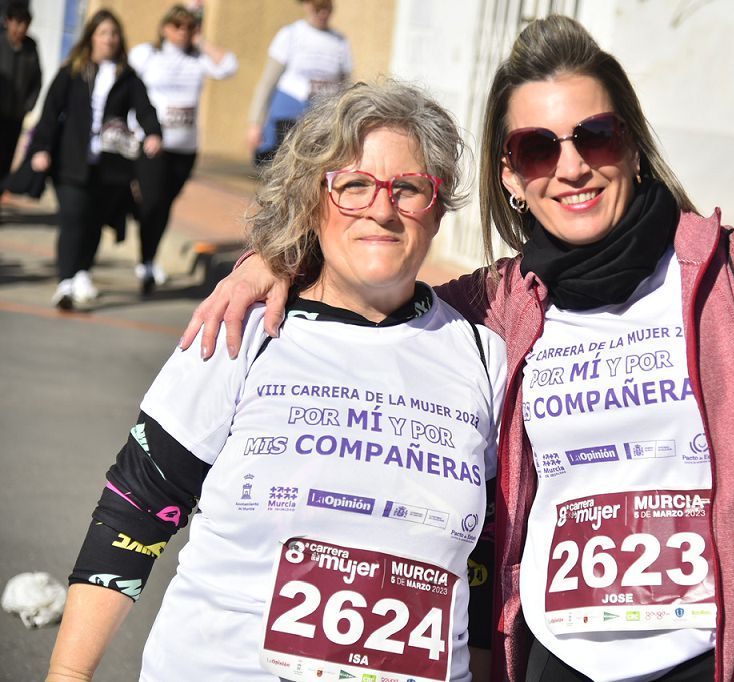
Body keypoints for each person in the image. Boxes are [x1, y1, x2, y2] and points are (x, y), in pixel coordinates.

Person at [184, 16, 734, 682]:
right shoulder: (494, 305)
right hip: (556, 661)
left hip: (722, 658)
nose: (572, 166)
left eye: (596, 135)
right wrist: (279, 260)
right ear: (510, 176)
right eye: (536, 148)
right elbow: (367, 284)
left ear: (630, 143)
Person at [46, 81, 506, 681]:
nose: (382, 209)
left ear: (437, 208)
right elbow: (137, 507)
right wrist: (69, 674)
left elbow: (486, 558)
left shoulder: (481, 356)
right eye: (354, 185)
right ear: (313, 199)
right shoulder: (243, 329)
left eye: (409, 188)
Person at [28, 9, 161, 310]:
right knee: (73, 217)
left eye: (114, 34)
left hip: (110, 166)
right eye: (103, 33)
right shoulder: (73, 70)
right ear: (91, 37)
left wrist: (153, 133)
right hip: (70, 161)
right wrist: (41, 148)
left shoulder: (127, 76)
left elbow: (145, 109)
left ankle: (83, 271)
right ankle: (65, 282)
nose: (109, 39)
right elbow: (50, 113)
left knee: (94, 222)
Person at [128, 4, 238, 294]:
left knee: (163, 205)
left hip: (185, 148)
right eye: (177, 26)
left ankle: (149, 259)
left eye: (189, 27)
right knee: (151, 202)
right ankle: (146, 260)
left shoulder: (198, 59)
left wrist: (201, 41)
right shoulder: (147, 55)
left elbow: (229, 66)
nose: (183, 32)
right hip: (153, 144)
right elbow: (127, 89)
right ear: (164, 27)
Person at [247, 0, 352, 165]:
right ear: (306, 6)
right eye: (318, 8)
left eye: (327, 9)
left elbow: (346, 87)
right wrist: (255, 123)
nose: (323, 14)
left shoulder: (339, 41)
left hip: (322, 119)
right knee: (283, 167)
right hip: (288, 114)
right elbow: (267, 83)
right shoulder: (291, 33)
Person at [0, 1, 41, 188]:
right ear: (7, 21)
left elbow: (37, 80)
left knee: (6, 159)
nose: (21, 28)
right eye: (17, 23)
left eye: (25, 24)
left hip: (15, 116)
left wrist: (28, 106)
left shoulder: (31, 48)